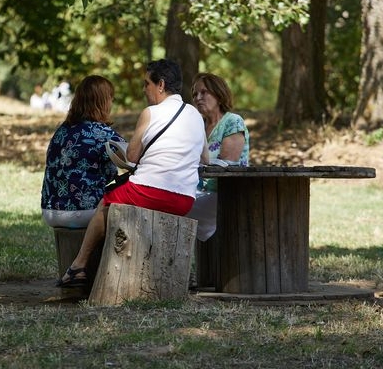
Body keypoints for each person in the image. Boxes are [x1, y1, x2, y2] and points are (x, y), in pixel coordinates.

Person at [57, 59, 209, 287]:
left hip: (149, 191)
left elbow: (133, 156)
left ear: (161, 85)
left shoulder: (150, 113)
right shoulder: (195, 115)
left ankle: (78, 266)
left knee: (105, 204)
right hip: (185, 199)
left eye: (146, 83)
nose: (144, 89)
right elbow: (205, 158)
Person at [41, 75, 126, 229]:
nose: (111, 103)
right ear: (102, 102)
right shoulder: (101, 132)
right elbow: (131, 157)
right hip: (82, 211)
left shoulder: (62, 130)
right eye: (110, 99)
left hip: (49, 210)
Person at [186, 72, 250, 242]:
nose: (198, 98)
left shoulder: (232, 122)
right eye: (194, 94)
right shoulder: (198, 126)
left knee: (170, 207)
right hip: (198, 192)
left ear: (219, 94)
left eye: (203, 92)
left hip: (224, 195)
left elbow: (226, 164)